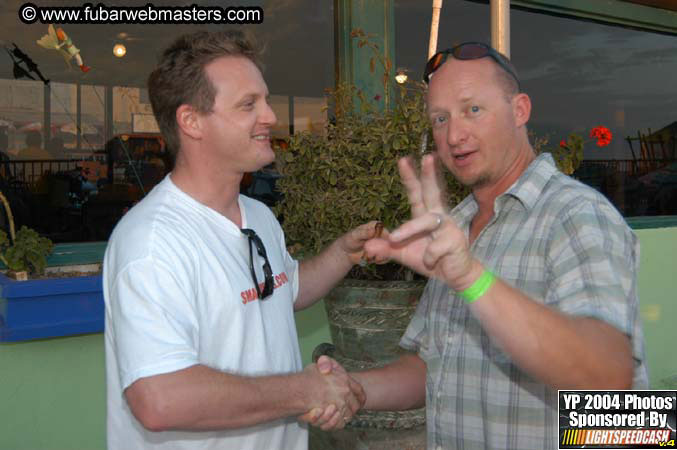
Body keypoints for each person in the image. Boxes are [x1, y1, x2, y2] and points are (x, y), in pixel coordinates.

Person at [307, 42, 648, 449]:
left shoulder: (576, 215)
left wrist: (471, 278)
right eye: (440, 118)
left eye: (473, 109)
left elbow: (609, 378)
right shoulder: (460, 226)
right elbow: (433, 365)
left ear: (520, 110)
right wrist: (355, 389)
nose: (454, 134)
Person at [103, 30, 378, 450]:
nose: (269, 116)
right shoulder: (153, 243)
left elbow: (283, 291)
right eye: (249, 104)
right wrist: (304, 390)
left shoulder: (258, 216)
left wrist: (344, 253)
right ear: (191, 121)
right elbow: (159, 400)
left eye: (265, 100)